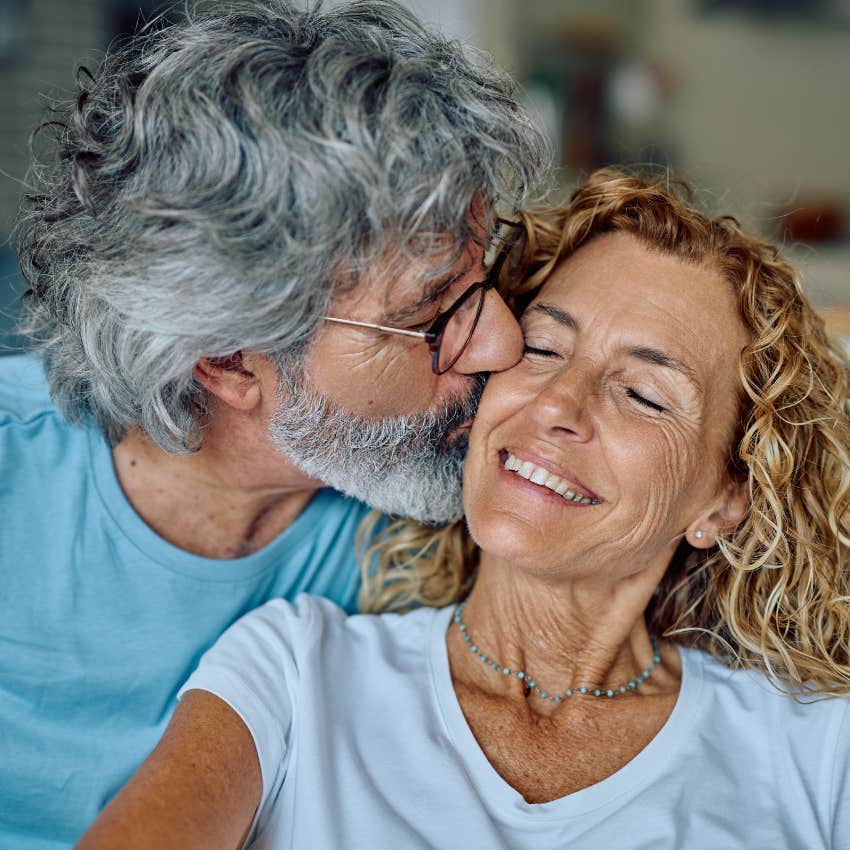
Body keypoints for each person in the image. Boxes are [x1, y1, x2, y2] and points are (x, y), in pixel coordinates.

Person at [77, 170, 850, 850]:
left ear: (725, 501)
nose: (558, 405)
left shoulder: (814, 753)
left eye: (644, 395)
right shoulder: (296, 670)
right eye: (544, 349)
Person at [0, 1, 548, 846]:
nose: (503, 341)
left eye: (488, 276)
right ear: (227, 363)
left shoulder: (438, 518)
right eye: (434, 316)